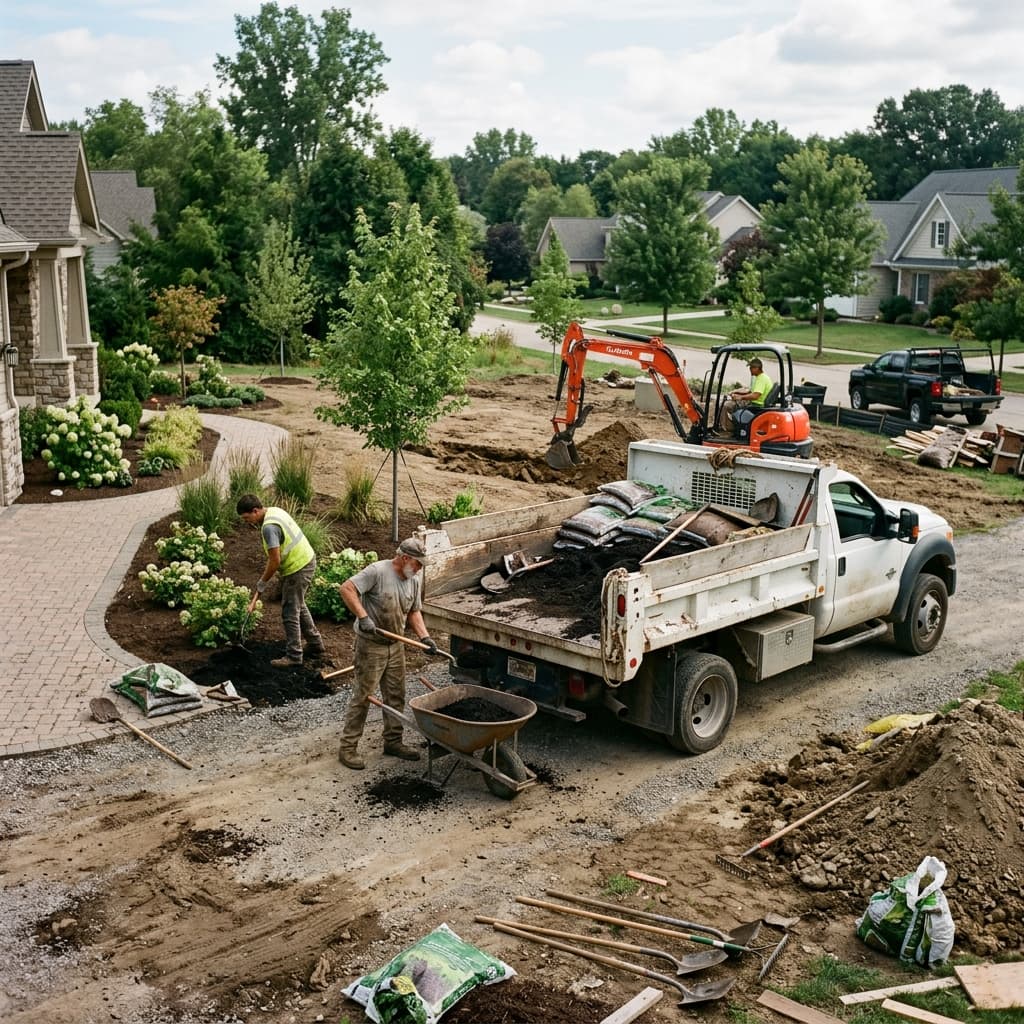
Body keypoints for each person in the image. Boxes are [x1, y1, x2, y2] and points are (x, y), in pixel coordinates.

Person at [335, 537, 437, 770]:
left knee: (395, 695)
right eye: (418, 563)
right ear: (404, 558)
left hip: (395, 646)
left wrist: (425, 638)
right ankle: (348, 748)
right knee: (363, 696)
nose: (420, 568)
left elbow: (414, 612)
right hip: (371, 645)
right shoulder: (377, 571)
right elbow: (347, 588)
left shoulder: (414, 579)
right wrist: (363, 617)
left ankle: (393, 742)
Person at [237, 494, 324, 668]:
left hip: (298, 567)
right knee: (298, 604)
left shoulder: (269, 528)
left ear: (255, 511)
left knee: (289, 611)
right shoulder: (274, 511)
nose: (247, 522)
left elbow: (274, 561)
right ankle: (315, 644)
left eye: (247, 518)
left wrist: (262, 582)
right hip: (305, 560)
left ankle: (294, 655)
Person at [720, 357, 773, 434]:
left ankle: (726, 429)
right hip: (756, 404)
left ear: (757, 368)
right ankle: (734, 426)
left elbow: (755, 396)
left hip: (757, 406)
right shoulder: (761, 377)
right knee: (732, 405)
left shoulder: (761, 379)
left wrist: (740, 397)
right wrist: (737, 393)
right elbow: (751, 392)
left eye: (751, 368)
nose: (750, 370)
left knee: (726, 406)